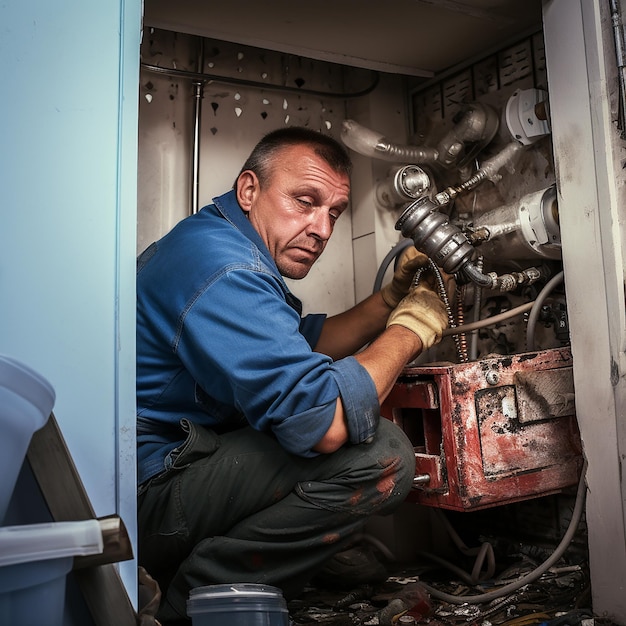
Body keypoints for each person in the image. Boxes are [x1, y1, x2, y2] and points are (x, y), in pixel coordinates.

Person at [136, 126, 449, 624]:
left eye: (333, 213)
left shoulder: (217, 241)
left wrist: (388, 301)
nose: (322, 228)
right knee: (381, 454)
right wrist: (413, 328)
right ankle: (198, 602)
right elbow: (323, 424)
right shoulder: (225, 271)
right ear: (249, 190)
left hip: (167, 470)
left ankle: (280, 560)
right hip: (146, 500)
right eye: (305, 201)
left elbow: (297, 348)